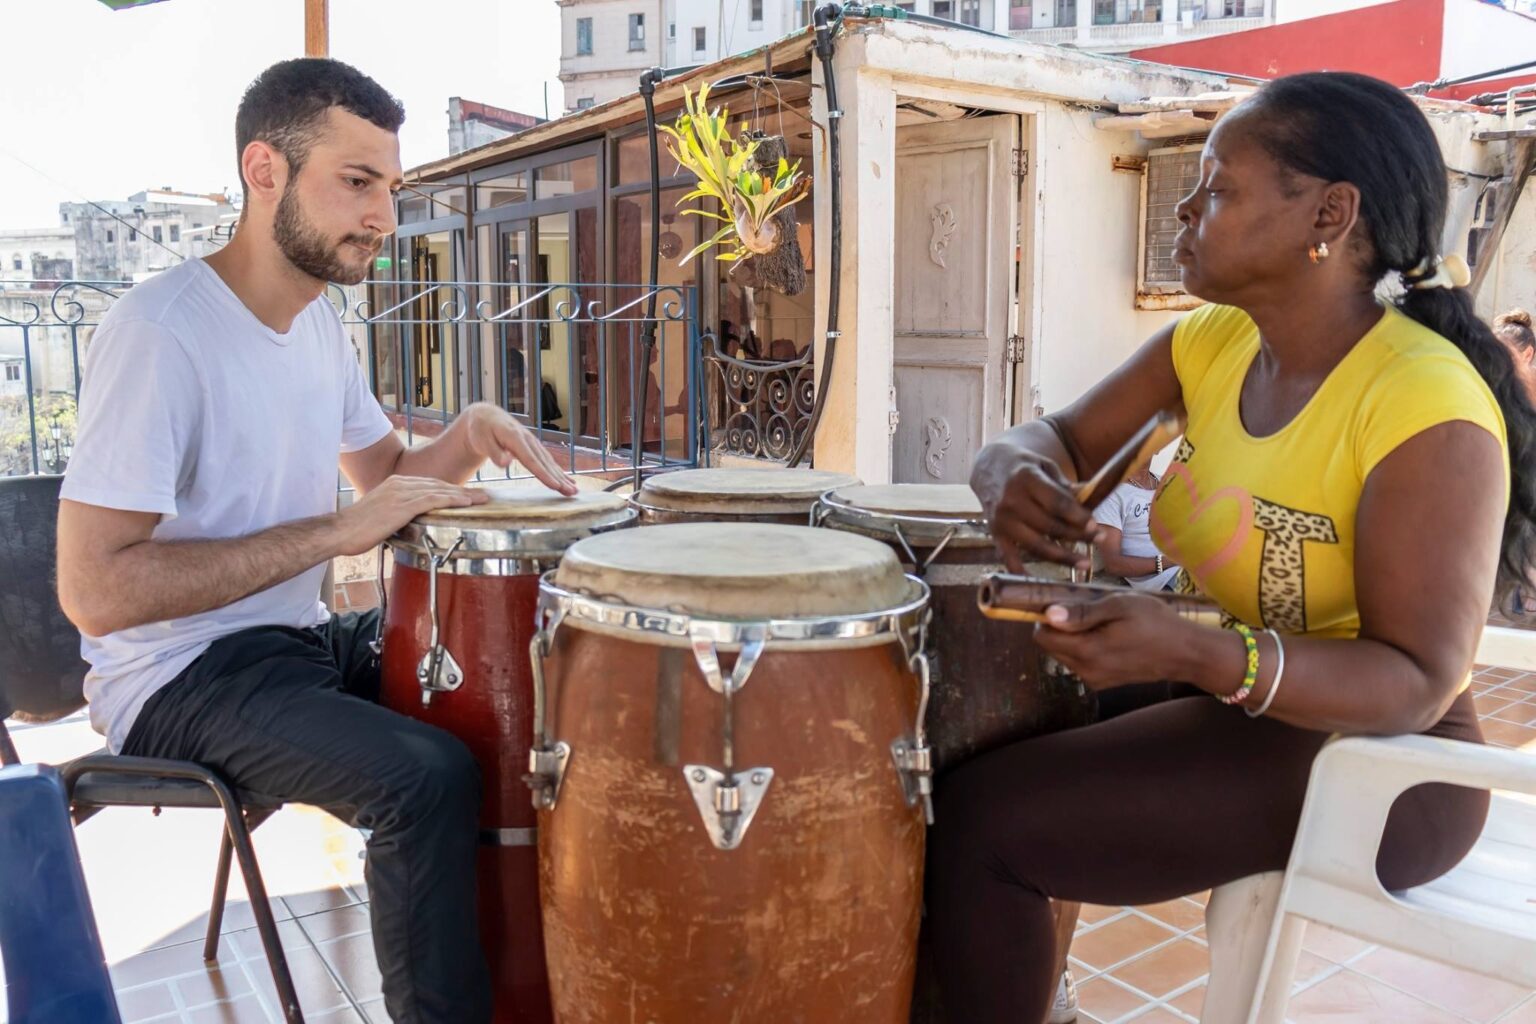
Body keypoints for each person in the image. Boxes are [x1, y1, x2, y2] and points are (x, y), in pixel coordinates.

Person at [929, 71, 1536, 1022]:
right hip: (1250, 697)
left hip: (1389, 765)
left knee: (982, 826)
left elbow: (1418, 678)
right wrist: (1009, 471)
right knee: (996, 724)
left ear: (1328, 214)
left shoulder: (1423, 404)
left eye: (1217, 189)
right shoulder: (1212, 342)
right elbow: (1056, 439)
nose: (1184, 207)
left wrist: (1195, 651)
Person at [55, 59, 577, 1024]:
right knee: (424, 778)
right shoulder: (161, 332)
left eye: (390, 186)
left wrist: (466, 432)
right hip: (177, 677)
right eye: (357, 181)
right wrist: (337, 533)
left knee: (505, 658)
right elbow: (96, 592)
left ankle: (554, 976)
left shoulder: (319, 325)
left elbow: (382, 482)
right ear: (265, 170)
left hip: (288, 645)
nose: (383, 215)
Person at [1090, 467, 1181, 590]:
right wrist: (1168, 561)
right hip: (1165, 579)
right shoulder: (1111, 495)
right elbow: (1113, 564)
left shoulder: (1166, 482)